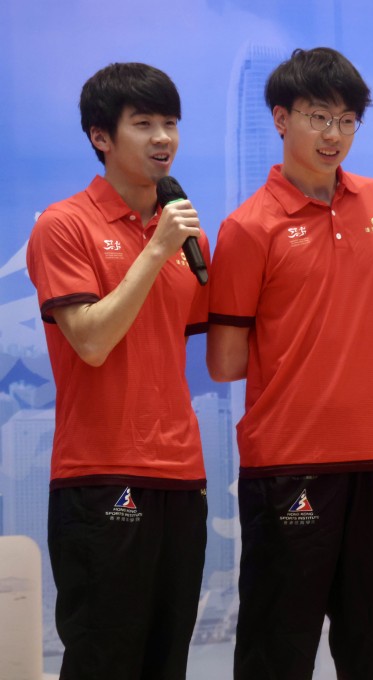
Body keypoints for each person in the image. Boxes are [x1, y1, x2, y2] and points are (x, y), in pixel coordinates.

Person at [206, 47, 373, 679]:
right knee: (277, 649)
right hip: (289, 463)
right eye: (319, 117)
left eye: (348, 121)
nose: (333, 135)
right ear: (281, 118)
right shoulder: (247, 228)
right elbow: (224, 361)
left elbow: (370, 315)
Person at [25, 62, 209, 679]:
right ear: (102, 136)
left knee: (168, 659)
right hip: (100, 473)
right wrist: (156, 250)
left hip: (181, 473)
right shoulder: (64, 225)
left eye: (171, 123)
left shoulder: (183, 233)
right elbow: (93, 342)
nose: (163, 138)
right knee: (105, 659)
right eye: (144, 124)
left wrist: (166, 242)